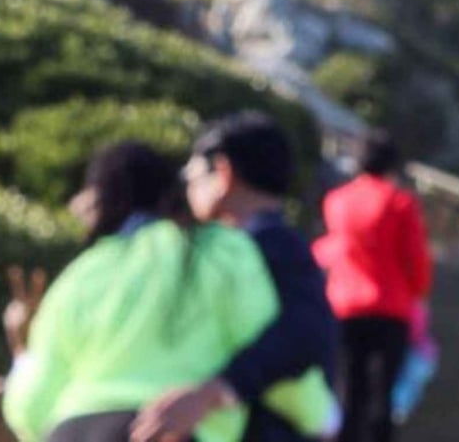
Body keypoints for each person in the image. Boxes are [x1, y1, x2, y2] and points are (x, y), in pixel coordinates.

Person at [0, 141, 321, 442]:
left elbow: (29, 409)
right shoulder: (221, 249)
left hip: (72, 431)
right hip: (169, 430)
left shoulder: (83, 271)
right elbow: (274, 349)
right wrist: (320, 415)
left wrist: (21, 355)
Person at [130, 112, 341, 442]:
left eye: (194, 174)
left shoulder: (267, 243)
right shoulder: (277, 243)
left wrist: (214, 390)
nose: (188, 186)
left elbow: (307, 331)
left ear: (224, 173)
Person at [314, 132, 432, 442]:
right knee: (382, 397)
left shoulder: (337, 200)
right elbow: (416, 261)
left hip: (343, 306)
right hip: (391, 309)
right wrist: (417, 294)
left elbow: (335, 249)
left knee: (348, 393)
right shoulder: (401, 203)